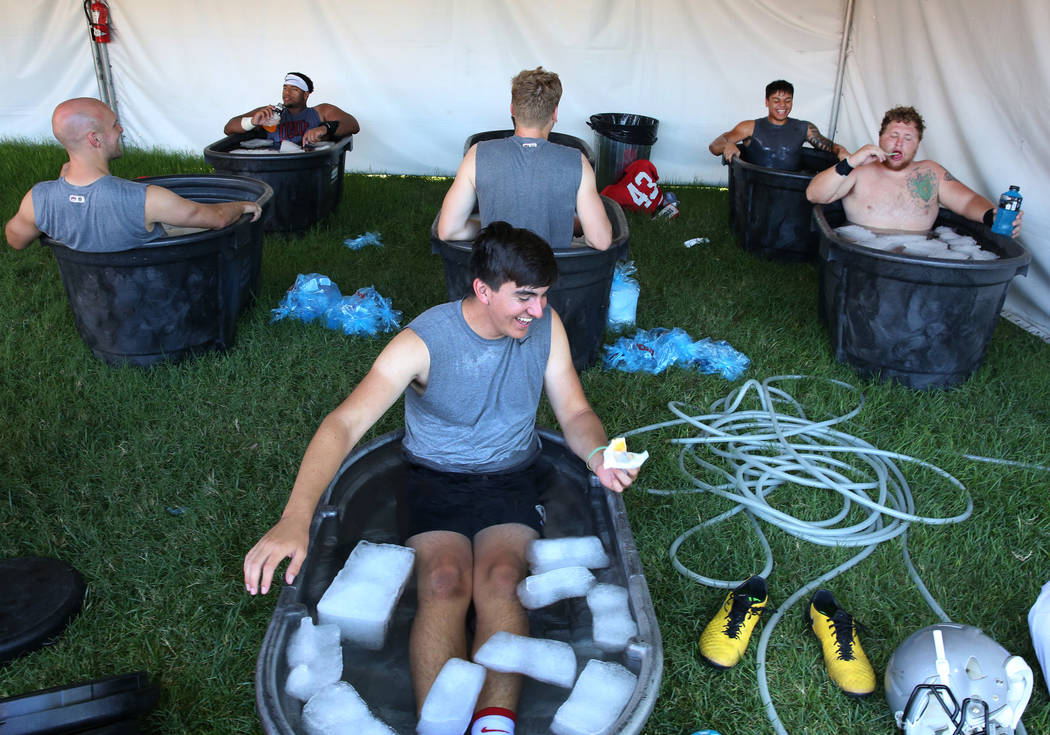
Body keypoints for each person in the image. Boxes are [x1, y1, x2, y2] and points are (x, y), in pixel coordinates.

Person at [243, 222, 637, 735]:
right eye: (524, 297)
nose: (537, 311)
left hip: (512, 476)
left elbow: (576, 412)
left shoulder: (546, 325)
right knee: (444, 583)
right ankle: (441, 727)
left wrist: (600, 453)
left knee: (500, 581)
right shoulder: (423, 342)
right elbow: (344, 424)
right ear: (482, 289)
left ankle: (494, 725)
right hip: (433, 478)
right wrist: (296, 517)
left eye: (542, 296)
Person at [5, 98, 261, 252]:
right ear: (95, 139)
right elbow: (216, 218)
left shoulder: (38, 199)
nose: (121, 129)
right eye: (114, 124)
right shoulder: (147, 199)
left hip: (91, 306)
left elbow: (15, 240)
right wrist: (242, 205)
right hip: (158, 301)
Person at [436, 67, 612, 251]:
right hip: (553, 273)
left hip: (497, 272)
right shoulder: (577, 161)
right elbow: (600, 240)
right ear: (555, 113)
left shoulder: (476, 155)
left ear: (512, 109)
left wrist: (487, 229)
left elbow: (448, 230)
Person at [805, 105, 1023, 236]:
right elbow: (814, 195)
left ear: (918, 144)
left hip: (921, 256)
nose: (899, 144)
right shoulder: (859, 169)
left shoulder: (931, 172)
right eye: (893, 136)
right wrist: (850, 161)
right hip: (863, 252)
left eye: (908, 138)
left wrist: (990, 217)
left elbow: (966, 202)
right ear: (880, 137)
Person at [708, 79, 847, 170]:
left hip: (790, 188)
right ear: (767, 102)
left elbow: (829, 147)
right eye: (776, 100)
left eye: (787, 100)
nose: (782, 105)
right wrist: (727, 145)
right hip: (756, 186)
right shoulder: (749, 127)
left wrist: (841, 150)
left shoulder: (804, 128)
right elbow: (714, 147)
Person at [223, 71, 360, 147]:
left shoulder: (321, 111)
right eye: (285, 88)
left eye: (294, 89)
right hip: (274, 164)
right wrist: (252, 122)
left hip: (310, 163)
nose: (287, 93)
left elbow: (353, 124)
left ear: (306, 94)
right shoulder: (269, 113)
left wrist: (324, 128)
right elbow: (228, 128)